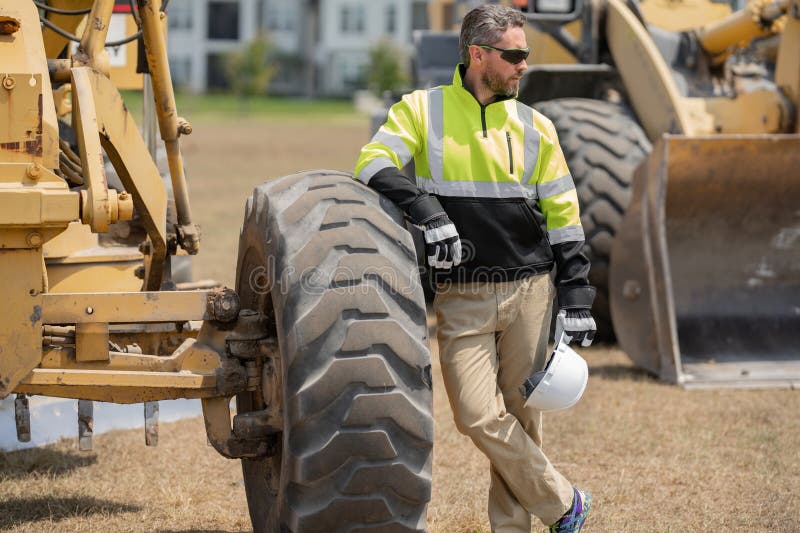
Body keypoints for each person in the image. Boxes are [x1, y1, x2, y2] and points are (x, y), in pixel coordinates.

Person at [354, 4, 596, 532]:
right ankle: (565, 503)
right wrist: (425, 209)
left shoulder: (536, 126)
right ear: (477, 54)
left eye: (525, 54)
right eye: (514, 55)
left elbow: (565, 218)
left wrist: (576, 297)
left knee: (524, 419)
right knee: (476, 416)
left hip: (530, 291)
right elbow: (372, 162)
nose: (523, 65)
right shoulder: (423, 110)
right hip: (463, 294)